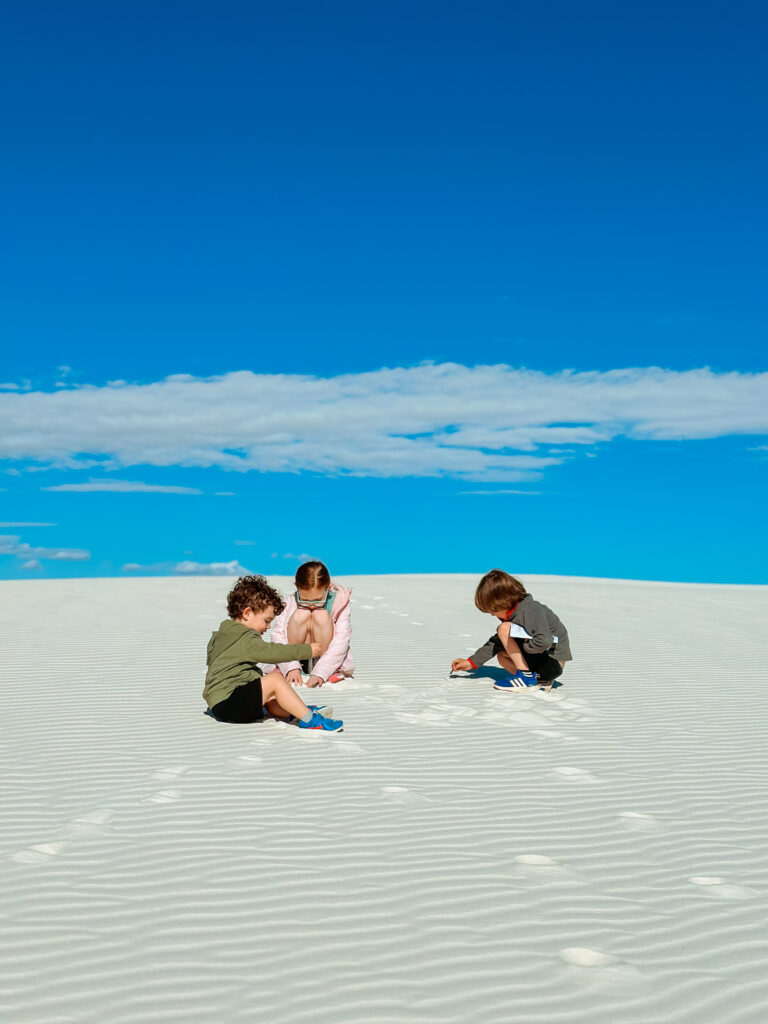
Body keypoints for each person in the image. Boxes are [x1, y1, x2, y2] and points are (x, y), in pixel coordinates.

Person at [204, 575, 344, 731]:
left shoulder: (222, 636)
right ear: (247, 613)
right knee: (275, 681)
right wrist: (307, 650)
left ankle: (295, 711)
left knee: (270, 691)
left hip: (220, 704)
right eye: (266, 620)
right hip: (231, 703)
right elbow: (273, 652)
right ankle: (310, 720)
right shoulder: (245, 637)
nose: (269, 626)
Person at [451, 569, 572, 691]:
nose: (492, 614)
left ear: (504, 601)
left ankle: (525, 678)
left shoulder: (529, 610)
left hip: (552, 662)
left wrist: (524, 646)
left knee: (504, 629)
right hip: (543, 662)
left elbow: (545, 640)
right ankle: (539, 681)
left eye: (493, 609)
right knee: (502, 655)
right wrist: (471, 663)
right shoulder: (516, 612)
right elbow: (496, 643)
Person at [270, 560, 354, 688]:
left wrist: (321, 672)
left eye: (317, 600)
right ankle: (298, 665)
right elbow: (278, 636)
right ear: (297, 588)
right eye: (304, 600)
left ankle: (319, 664)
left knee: (320, 615)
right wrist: (291, 666)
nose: (311, 605)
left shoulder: (340, 602)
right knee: (301, 614)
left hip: (324, 656)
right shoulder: (290, 601)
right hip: (296, 655)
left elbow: (341, 640)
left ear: (328, 588)